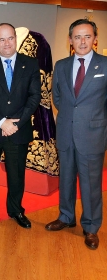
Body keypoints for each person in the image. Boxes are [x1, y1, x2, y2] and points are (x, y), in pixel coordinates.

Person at [45, 19, 107, 250]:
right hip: (66, 133)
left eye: (87, 36)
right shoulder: (61, 65)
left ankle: (91, 227)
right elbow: (58, 98)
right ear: (70, 40)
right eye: (77, 37)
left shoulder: (105, 65)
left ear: (95, 39)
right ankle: (66, 217)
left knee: (91, 185)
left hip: (93, 135)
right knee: (66, 179)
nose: (82, 41)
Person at [0, 23, 41, 229]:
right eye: (1, 39)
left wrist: (16, 123)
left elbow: (34, 97)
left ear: (15, 39)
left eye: (10, 38)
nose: (6, 43)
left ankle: (16, 210)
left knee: (16, 174)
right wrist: (2, 122)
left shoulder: (30, 64)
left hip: (18, 131)